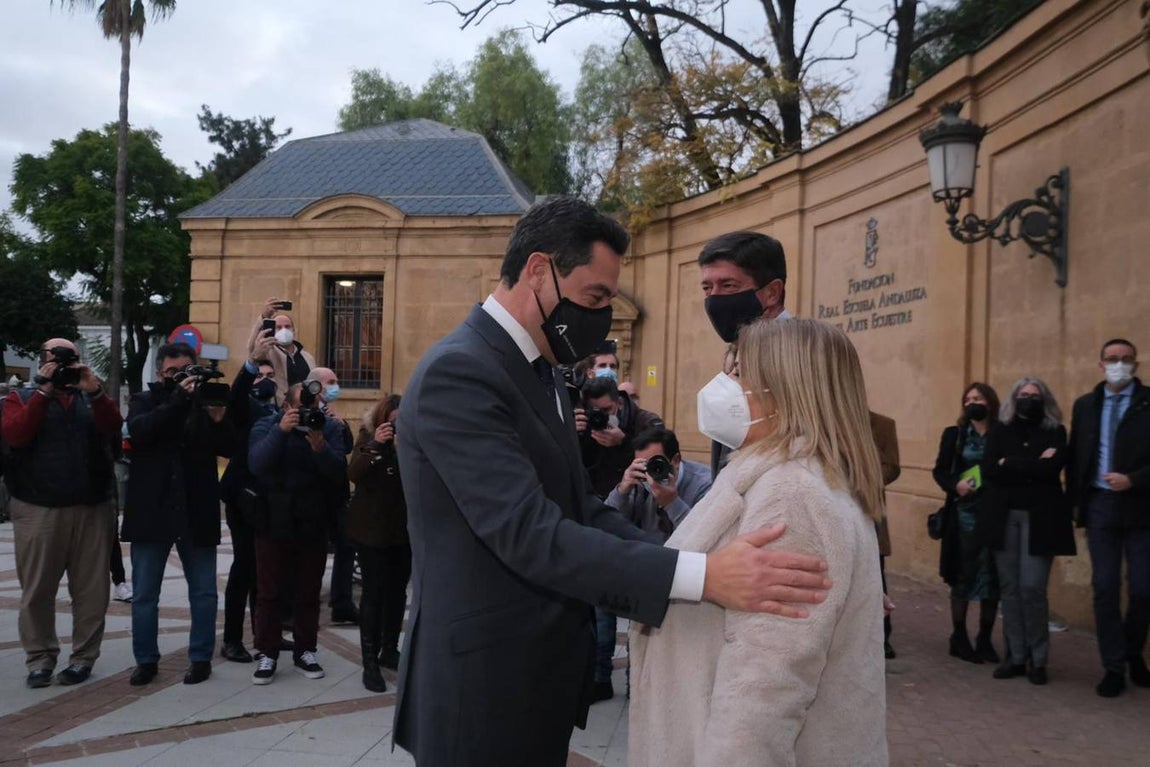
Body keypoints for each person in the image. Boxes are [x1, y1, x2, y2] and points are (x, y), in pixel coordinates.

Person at [393, 197, 830, 767]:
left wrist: (695, 553)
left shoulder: (543, 368)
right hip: (481, 684)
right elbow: (531, 533)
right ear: (539, 271)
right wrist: (701, 576)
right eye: (596, 297)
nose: (601, 315)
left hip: (532, 675)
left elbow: (581, 508)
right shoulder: (461, 371)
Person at [629, 318, 887, 767]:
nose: (724, 387)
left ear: (784, 389)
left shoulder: (792, 493)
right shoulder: (781, 477)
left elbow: (765, 686)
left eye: (739, 373)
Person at [1, 339, 120, 688]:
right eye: (57, 357)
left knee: (91, 590)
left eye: (70, 358)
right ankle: (40, 658)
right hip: (38, 507)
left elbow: (113, 426)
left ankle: (83, 658)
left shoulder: (90, 396)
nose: (64, 364)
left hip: (92, 507)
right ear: (43, 361)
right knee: (37, 589)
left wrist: (95, 390)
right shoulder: (19, 397)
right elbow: (16, 434)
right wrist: (43, 391)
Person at [122, 343, 236, 687]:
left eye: (186, 371)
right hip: (151, 509)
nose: (179, 378)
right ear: (160, 373)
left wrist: (217, 421)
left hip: (195, 507)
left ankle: (201, 658)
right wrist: (177, 399)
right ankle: (145, 660)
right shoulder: (145, 400)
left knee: (203, 591)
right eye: (172, 373)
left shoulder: (205, 402)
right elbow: (141, 432)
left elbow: (229, 447)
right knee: (144, 594)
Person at [247, 381, 349, 685]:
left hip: (311, 520)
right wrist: (282, 431)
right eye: (301, 407)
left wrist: (320, 448)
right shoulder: (267, 425)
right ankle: (267, 651)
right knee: (269, 592)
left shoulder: (327, 428)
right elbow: (257, 463)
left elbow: (337, 471)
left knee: (308, 591)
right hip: (272, 519)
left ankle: (306, 650)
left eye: (313, 407)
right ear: (286, 406)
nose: (308, 412)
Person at [1067, 338, 1150, 698]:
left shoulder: (1148, 403)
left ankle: (1133, 653)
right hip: (1100, 506)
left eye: (1126, 359)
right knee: (1104, 586)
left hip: (1142, 507)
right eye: (1113, 359)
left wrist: (1134, 479)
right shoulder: (1086, 405)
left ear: (1136, 364)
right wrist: (1076, 507)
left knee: (1143, 589)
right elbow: (1075, 457)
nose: (1119, 364)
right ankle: (1113, 665)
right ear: (1101, 364)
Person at [982, 376, 1076, 685]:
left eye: (1035, 395)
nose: (1029, 399)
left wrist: (1011, 461)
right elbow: (990, 471)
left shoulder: (1055, 431)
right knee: (1010, 589)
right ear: (1014, 398)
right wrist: (1031, 464)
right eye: (1023, 395)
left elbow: (1052, 470)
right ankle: (1016, 655)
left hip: (1042, 520)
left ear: (1044, 399)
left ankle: (1039, 658)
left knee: (1033, 589)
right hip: (1005, 518)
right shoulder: (999, 430)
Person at [698, 231, 790, 478]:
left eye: (728, 286)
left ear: (772, 292)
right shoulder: (740, 350)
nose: (714, 298)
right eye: (708, 288)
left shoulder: (802, 355)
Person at [932, 383, 1002, 664]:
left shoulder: (1002, 433)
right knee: (963, 575)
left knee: (992, 578)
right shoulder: (956, 434)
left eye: (979, 398)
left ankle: (985, 637)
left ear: (990, 402)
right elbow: (940, 471)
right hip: (963, 516)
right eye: (968, 399)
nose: (973, 402)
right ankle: (958, 635)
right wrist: (955, 486)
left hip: (994, 514)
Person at [217, 336, 278, 664]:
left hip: (271, 499)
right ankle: (232, 639)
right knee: (244, 567)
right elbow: (237, 393)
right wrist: (251, 363)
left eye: (271, 376)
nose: (265, 381)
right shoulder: (246, 406)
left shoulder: (280, 408)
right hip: (243, 497)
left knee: (266, 568)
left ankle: (265, 633)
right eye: (260, 375)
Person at [347, 394, 410, 693]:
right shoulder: (368, 436)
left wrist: (404, 451)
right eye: (393, 422)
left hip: (402, 531)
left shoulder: (412, 441)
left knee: (397, 592)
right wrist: (377, 446)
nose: (397, 427)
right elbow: (354, 472)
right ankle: (369, 661)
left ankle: (390, 649)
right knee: (373, 594)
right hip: (371, 531)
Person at [305, 367, 358, 625]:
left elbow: (346, 447)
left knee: (346, 547)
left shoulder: (334, 417)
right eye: (331, 382)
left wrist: (341, 425)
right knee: (312, 552)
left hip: (337, 495)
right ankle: (304, 604)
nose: (336, 386)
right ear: (316, 386)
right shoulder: (303, 411)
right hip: (313, 495)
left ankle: (342, 602)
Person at [579, 375, 664, 499]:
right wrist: (574, 433)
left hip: (635, 499)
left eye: (606, 410)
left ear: (619, 403)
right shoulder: (585, 424)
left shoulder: (645, 422)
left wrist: (623, 442)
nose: (601, 416)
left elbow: (656, 462)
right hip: (597, 498)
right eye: (595, 411)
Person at [870, 411, 901, 659]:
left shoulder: (882, 424)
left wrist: (860, 477)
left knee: (876, 576)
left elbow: (891, 467)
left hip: (869, 511)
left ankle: (883, 637)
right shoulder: (829, 422)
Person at [246, 299, 315, 401]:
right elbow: (252, 348)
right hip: (281, 408)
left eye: (287, 326)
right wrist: (264, 317)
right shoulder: (269, 352)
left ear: (293, 330)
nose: (284, 330)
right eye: (279, 327)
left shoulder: (307, 357)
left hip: (305, 407)